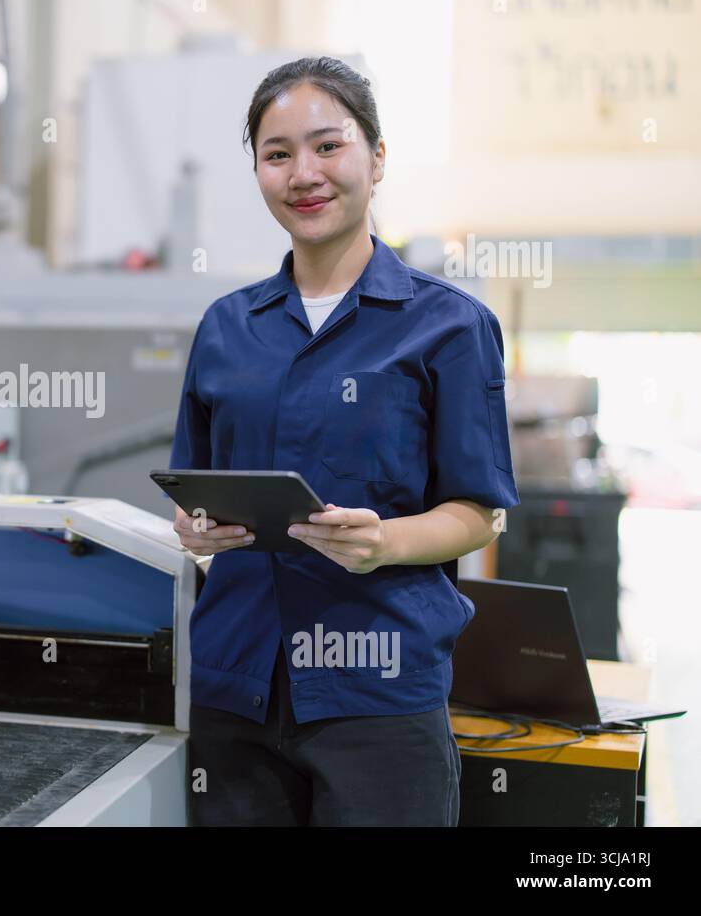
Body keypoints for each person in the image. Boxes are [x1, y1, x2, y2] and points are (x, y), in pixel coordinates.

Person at [168, 56, 520, 826]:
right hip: (233, 688)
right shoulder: (226, 326)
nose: (304, 174)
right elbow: (192, 494)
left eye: (328, 146)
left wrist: (384, 542)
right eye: (277, 154)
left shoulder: (449, 325)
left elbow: (480, 513)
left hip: (377, 692)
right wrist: (196, 530)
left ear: (377, 157)